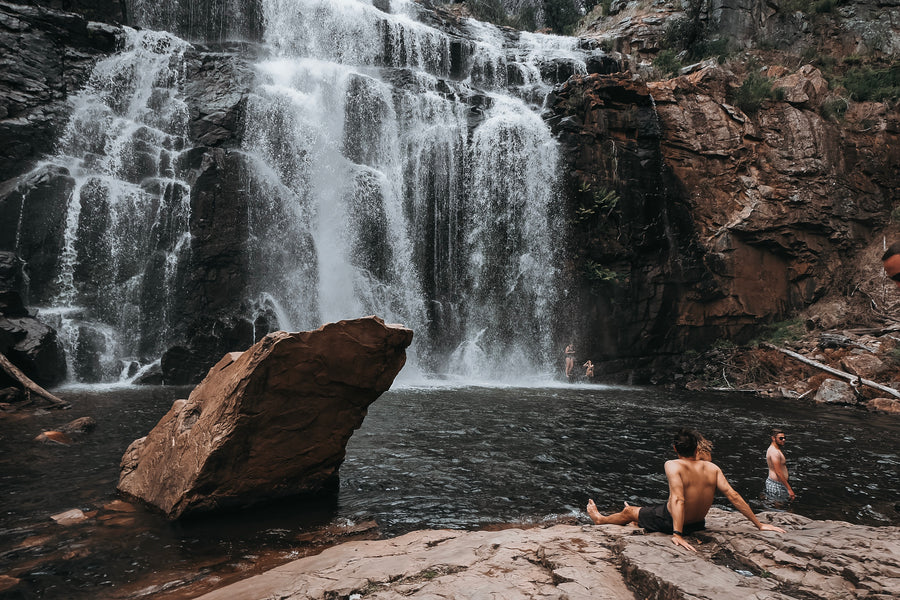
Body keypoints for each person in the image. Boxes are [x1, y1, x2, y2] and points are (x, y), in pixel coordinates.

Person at [586, 428, 785, 552]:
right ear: (697, 449)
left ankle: (600, 519)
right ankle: (640, 519)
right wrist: (758, 525)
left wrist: (677, 534)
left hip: (672, 522)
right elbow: (733, 496)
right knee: (651, 509)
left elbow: (679, 500)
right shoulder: (712, 468)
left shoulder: (673, 465)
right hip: (698, 523)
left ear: (675, 448)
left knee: (629, 511)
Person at [765, 429, 795, 502]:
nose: (783, 440)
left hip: (778, 484)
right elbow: (778, 471)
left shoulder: (775, 449)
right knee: (779, 508)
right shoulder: (774, 452)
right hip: (776, 485)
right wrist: (789, 489)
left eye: (784, 438)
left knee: (780, 506)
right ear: (773, 438)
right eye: (781, 438)